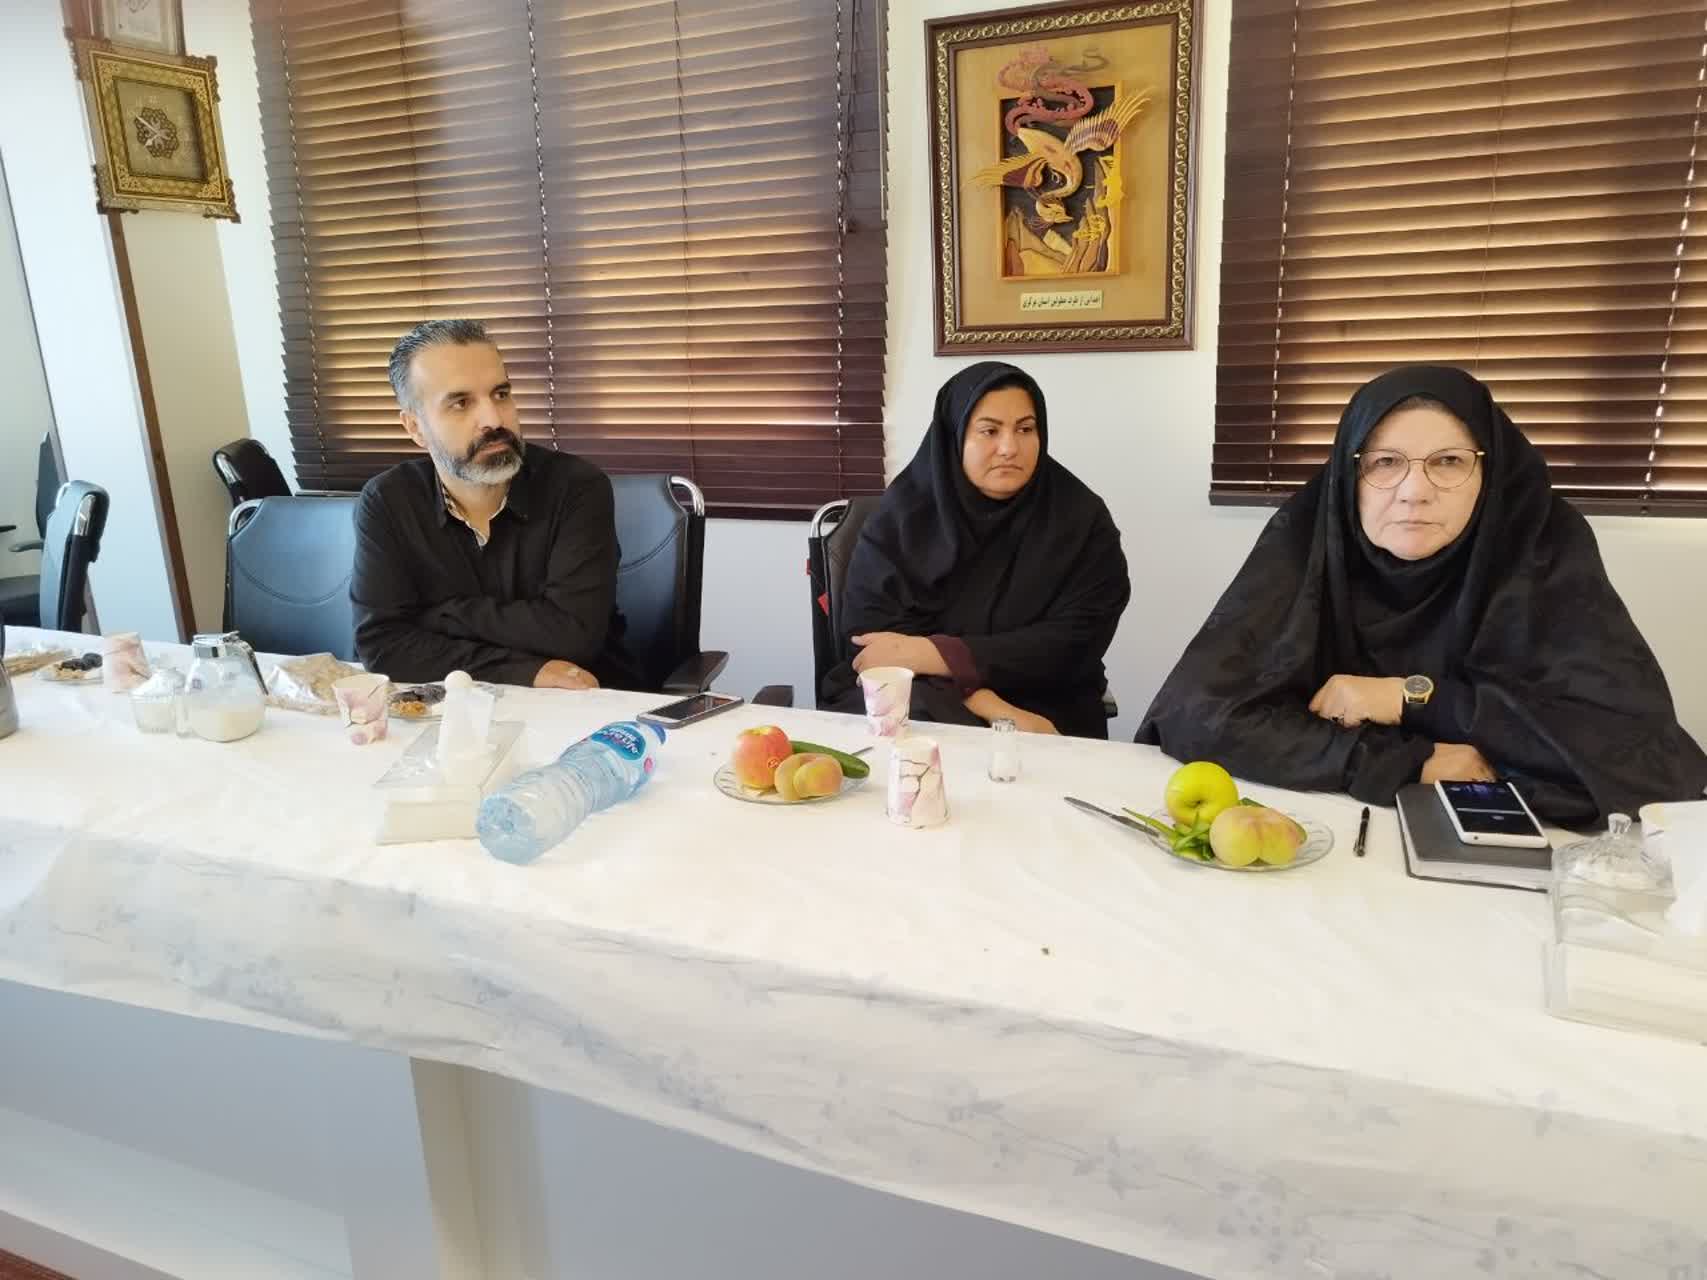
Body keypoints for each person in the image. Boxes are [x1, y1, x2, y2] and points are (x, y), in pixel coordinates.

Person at [1138, 365, 1707, 823]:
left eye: (1449, 462)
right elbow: (1196, 713)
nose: (1414, 491)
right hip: (1321, 834)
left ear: (1491, 474)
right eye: (1385, 463)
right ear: (1350, 476)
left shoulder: (1539, 548)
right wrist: (1408, 762)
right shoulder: (1310, 540)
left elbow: (1639, 753)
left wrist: (1410, 699)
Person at [821, 361, 1130, 740]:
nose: (1009, 448)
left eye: (1025, 429)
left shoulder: (1080, 519)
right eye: (989, 431)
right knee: (914, 721)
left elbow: (1075, 640)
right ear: (955, 435)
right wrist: (988, 704)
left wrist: (933, 654)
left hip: (1046, 696)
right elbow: (874, 645)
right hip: (924, 691)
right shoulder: (901, 518)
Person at [351, 318, 632, 689]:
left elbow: (573, 635)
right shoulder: (387, 500)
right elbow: (382, 646)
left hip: (581, 702)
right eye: (461, 403)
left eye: (501, 394)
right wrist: (523, 671)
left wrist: (439, 616)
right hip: (450, 709)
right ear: (415, 427)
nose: (494, 420)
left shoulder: (577, 487)